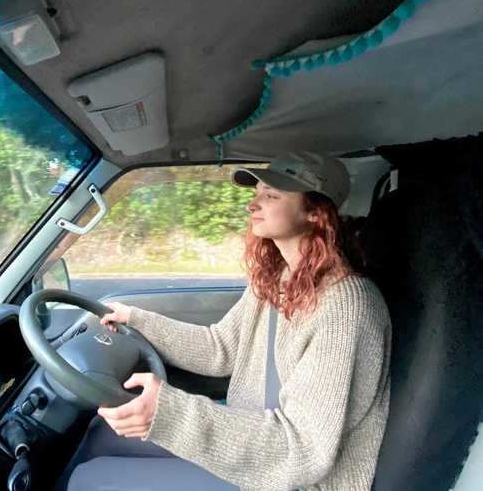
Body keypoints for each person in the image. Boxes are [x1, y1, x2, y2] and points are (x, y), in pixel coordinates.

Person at [60, 152, 392, 491]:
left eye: (271, 195)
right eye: (257, 192)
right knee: (100, 437)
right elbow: (222, 348)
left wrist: (170, 413)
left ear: (314, 213)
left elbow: (302, 449)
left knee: (91, 480)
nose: (253, 204)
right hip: (256, 444)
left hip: (297, 480)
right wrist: (136, 319)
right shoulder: (279, 279)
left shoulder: (347, 306)